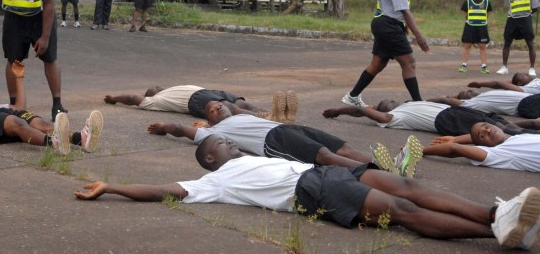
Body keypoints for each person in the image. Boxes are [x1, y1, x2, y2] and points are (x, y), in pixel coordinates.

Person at [75, 134, 540, 250]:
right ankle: (496, 229)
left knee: (406, 184)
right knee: (400, 211)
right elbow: (161, 190)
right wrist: (112, 185)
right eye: (220, 143)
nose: (229, 141)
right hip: (311, 191)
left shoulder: (252, 155)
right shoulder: (211, 180)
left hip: (324, 174)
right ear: (211, 158)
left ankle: (495, 213)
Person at [148, 100, 423, 178]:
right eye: (211, 109)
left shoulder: (241, 114)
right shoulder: (214, 132)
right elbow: (181, 129)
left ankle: (389, 165)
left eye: (219, 103)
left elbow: (248, 107)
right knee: (325, 157)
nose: (217, 106)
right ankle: (385, 175)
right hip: (275, 141)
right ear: (209, 121)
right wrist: (163, 125)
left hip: (289, 128)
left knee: (342, 147)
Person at [342, 0, 429, 107]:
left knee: (378, 63)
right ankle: (419, 105)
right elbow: (405, 11)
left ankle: (352, 96)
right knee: (409, 63)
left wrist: (403, 27)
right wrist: (419, 36)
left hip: (384, 23)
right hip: (387, 25)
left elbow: (395, 9)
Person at [323, 100, 540, 136]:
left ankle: (531, 134)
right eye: (385, 102)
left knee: (502, 122)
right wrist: (340, 110)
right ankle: (530, 139)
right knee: (501, 133)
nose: (390, 100)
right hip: (446, 120)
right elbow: (362, 111)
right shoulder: (393, 116)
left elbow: (440, 99)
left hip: (455, 111)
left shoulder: (411, 103)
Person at [103, 85, 290, 122]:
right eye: (153, 88)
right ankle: (270, 116)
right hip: (199, 95)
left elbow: (132, 98)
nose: (155, 87)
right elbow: (133, 99)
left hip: (200, 95)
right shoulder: (155, 99)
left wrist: (114, 99)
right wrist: (114, 99)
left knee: (238, 105)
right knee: (236, 106)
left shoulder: (164, 93)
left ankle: (271, 117)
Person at [424, 122, 540, 173]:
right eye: (482, 135)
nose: (488, 131)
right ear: (484, 146)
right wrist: (421, 150)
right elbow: (455, 149)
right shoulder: (500, 153)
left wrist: (456, 138)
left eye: (487, 126)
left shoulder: (516, 137)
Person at [497, 0, 540, 77]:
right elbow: (509, 6)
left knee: (530, 44)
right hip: (512, 20)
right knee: (507, 43)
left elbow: (536, 8)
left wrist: (528, 13)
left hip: (525, 20)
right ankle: (504, 67)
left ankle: (532, 68)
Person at [429, 89, 540, 119]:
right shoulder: (474, 103)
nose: (470, 90)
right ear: (466, 99)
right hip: (529, 105)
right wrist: (419, 101)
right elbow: (445, 101)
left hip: (532, 98)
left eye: (469, 89)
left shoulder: (488, 93)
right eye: (467, 93)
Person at [459, 0, 492, 74]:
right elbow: (463, 11)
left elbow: (488, 12)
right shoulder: (468, 1)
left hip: (482, 26)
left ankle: (484, 66)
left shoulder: (486, 1)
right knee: (467, 45)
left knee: (482, 46)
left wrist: (482, 20)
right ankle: (464, 65)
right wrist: (469, 19)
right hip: (470, 26)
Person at [468, 73, 540, 94]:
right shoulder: (527, 88)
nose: (526, 74)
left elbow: (508, 83)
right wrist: (479, 84)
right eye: (523, 75)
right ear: (520, 83)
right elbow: (498, 83)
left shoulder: (534, 80)